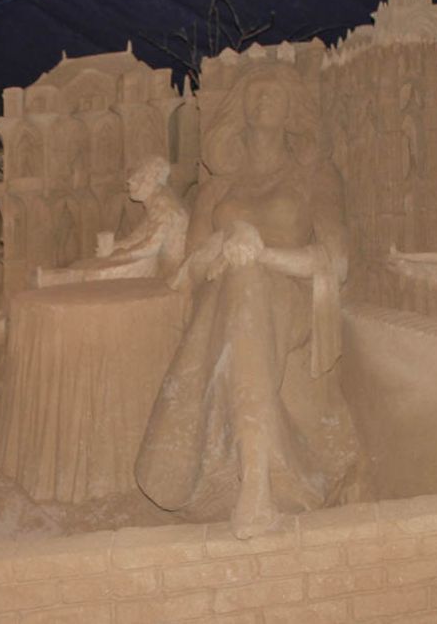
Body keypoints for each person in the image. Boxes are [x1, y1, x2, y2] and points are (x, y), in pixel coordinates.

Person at [134, 60, 358, 539]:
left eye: (275, 93)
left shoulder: (314, 176)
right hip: (226, 297)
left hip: (292, 298)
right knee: (242, 286)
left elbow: (335, 261)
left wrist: (262, 254)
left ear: (293, 109)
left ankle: (255, 482)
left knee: (249, 282)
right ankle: (254, 483)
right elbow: (191, 267)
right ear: (239, 109)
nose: (264, 99)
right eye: (254, 93)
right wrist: (223, 245)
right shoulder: (217, 186)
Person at [35, 155, 188, 286]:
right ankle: (51, 277)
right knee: (92, 265)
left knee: (98, 273)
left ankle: (51, 279)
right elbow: (138, 237)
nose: (130, 181)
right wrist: (114, 247)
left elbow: (151, 245)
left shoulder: (164, 205)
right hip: (153, 261)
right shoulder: (158, 201)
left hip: (163, 269)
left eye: (139, 176)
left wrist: (119, 255)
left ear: (153, 180)